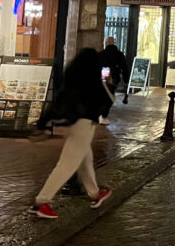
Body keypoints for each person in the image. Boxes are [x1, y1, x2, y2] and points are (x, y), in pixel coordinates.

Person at [29, 48, 113, 219]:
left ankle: (95, 193)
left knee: (85, 158)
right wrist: (108, 84)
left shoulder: (72, 79)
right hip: (85, 125)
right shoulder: (94, 82)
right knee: (68, 164)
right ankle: (41, 202)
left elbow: (58, 102)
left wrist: (43, 123)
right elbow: (106, 102)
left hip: (72, 124)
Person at [98, 37, 128, 124]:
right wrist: (126, 79)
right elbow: (125, 68)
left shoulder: (101, 54)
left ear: (106, 43)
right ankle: (103, 115)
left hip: (103, 75)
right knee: (110, 94)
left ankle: (100, 113)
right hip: (114, 76)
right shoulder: (119, 54)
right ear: (114, 43)